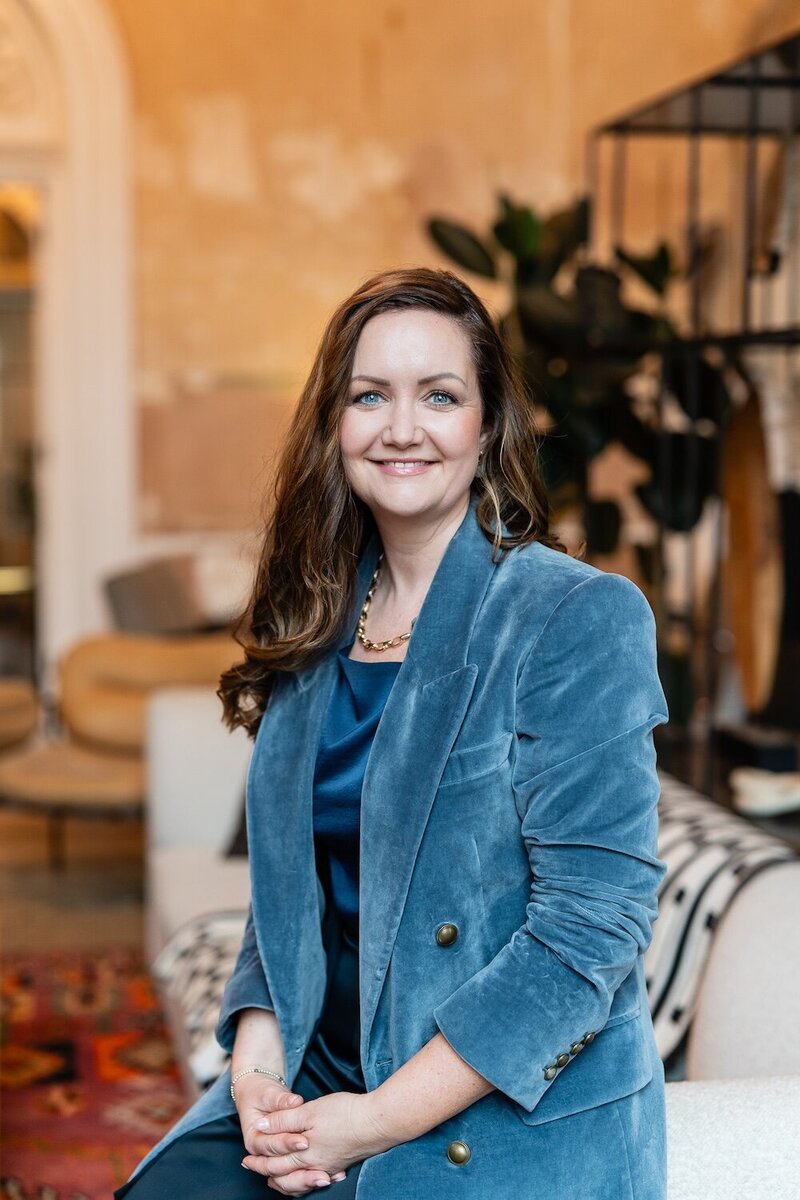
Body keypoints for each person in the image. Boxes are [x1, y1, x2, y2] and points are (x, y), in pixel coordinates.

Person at [116, 267, 669, 1199]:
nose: (401, 428)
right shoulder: (315, 617)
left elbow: (591, 932)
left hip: (483, 1105)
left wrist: (367, 1126)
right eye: (370, 396)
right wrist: (256, 1081)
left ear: (487, 425)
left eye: (440, 396)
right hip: (316, 1078)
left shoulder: (574, 617)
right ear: (335, 424)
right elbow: (285, 901)